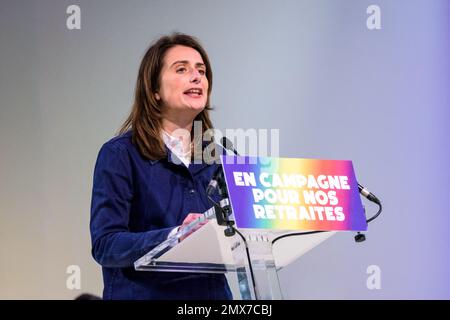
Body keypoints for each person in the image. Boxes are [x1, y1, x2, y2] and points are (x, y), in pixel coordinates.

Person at [90, 33, 232, 300]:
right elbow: (106, 245)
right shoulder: (120, 155)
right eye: (182, 69)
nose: (196, 76)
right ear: (154, 90)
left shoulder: (220, 159)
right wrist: (176, 236)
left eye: (201, 71)